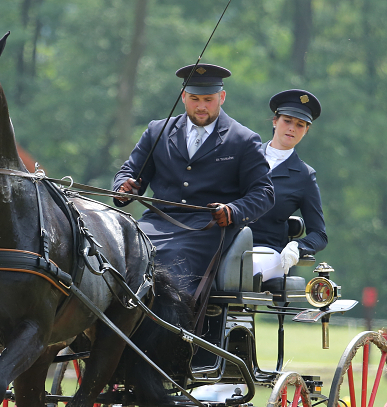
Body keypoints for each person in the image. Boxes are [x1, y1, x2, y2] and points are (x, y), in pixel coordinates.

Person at [113, 64, 274, 298]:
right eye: (194, 99)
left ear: (222, 97)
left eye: (208, 99)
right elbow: (130, 170)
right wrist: (123, 187)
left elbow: (264, 193)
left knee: (170, 262)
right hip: (156, 221)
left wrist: (232, 210)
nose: (201, 107)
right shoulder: (157, 130)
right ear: (183, 97)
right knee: (118, 251)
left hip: (207, 227)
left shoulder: (243, 140)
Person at [249, 89, 327, 282]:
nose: (292, 128)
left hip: (267, 253)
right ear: (275, 121)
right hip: (225, 244)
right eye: (287, 121)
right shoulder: (246, 155)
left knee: (243, 269)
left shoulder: (304, 176)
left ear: (307, 130)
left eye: (300, 124)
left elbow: (319, 234)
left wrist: (297, 247)